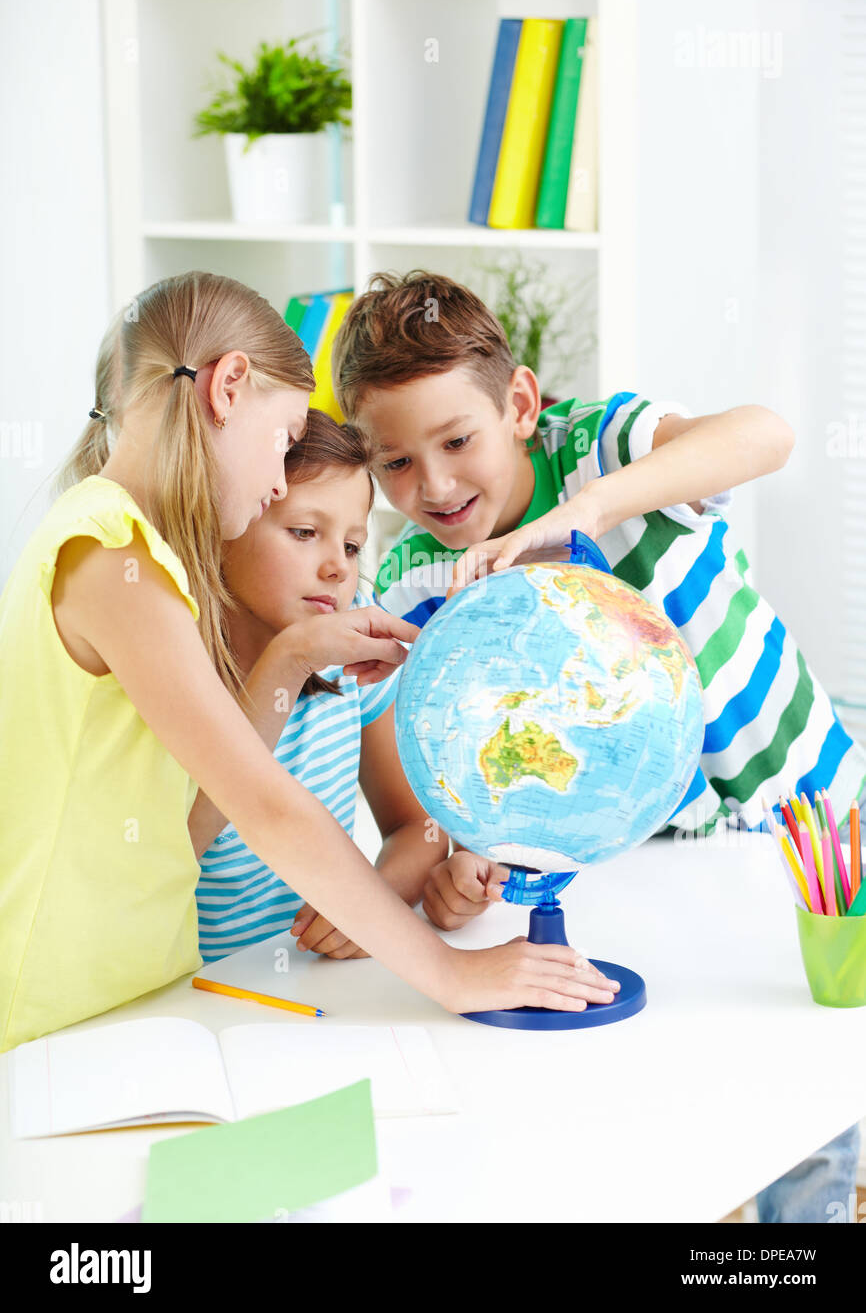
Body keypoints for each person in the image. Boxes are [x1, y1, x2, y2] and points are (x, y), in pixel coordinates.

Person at [331, 268, 864, 1223]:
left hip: (798, 815)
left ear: (523, 405)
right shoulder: (419, 573)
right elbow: (475, 742)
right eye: (396, 463)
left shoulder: (599, 446)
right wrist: (463, 859)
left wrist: (588, 512)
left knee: (806, 1086)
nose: (437, 485)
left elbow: (766, 436)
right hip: (634, 855)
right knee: (692, 1076)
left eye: (458, 440)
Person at [0, 270, 618, 1055]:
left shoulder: (126, 549)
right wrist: (455, 976)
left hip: (139, 994)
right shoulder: (111, 553)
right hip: (57, 1007)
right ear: (227, 389)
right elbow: (265, 805)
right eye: (284, 439)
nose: (271, 483)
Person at [195, 407, 484, 962]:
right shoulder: (172, 665)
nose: (338, 569)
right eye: (305, 533)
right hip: (192, 997)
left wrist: (371, 901)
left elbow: (418, 828)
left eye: (352, 546)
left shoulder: (347, 657)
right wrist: (288, 660)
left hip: (312, 990)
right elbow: (168, 857)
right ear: (225, 522)